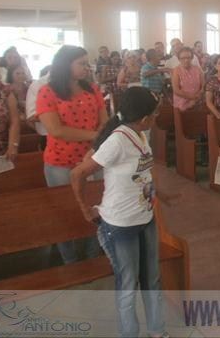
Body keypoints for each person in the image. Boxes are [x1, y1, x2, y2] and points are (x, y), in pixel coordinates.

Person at [70, 87, 169, 338]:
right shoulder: (117, 140)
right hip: (120, 226)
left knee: (152, 279)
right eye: (154, 114)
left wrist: (160, 194)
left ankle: (157, 330)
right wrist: (84, 208)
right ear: (144, 118)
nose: (156, 117)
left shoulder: (140, 133)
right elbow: (78, 173)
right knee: (128, 284)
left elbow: (142, 171)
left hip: (145, 218)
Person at [37, 45, 108, 264]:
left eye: (87, 63)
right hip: (60, 162)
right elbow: (56, 130)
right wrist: (94, 135)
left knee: (95, 207)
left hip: (92, 159)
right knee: (65, 212)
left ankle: (91, 256)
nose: (87, 67)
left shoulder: (92, 89)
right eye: (82, 63)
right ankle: (69, 260)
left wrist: (97, 141)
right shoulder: (47, 92)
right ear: (65, 65)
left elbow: (104, 120)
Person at [171, 46, 204, 111]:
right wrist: (192, 97)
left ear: (192, 58)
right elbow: (176, 90)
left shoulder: (198, 69)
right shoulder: (176, 71)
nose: (186, 60)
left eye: (188, 57)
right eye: (183, 58)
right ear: (179, 59)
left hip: (198, 100)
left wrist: (197, 97)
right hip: (182, 103)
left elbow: (203, 85)